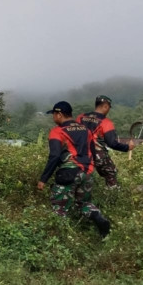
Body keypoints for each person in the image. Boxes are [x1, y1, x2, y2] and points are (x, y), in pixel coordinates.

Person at [38, 101, 110, 237]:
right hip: (87, 172)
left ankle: (60, 240)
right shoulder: (86, 130)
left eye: (53, 114)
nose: (53, 118)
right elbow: (93, 152)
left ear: (59, 114)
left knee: (59, 207)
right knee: (83, 203)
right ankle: (99, 218)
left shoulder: (57, 131)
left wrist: (43, 179)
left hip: (69, 172)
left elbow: (54, 156)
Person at [76, 95, 135, 188]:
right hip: (97, 154)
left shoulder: (81, 117)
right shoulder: (106, 122)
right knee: (111, 172)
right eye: (109, 108)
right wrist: (127, 147)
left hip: (79, 153)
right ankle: (112, 195)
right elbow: (111, 143)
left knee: (82, 176)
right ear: (105, 106)